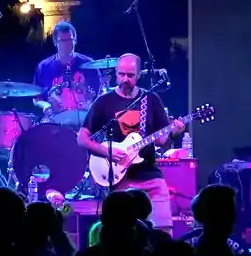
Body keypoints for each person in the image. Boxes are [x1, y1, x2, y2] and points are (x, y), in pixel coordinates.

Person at [78, 53, 185, 234]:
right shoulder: (104, 101)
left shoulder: (150, 100)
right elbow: (82, 138)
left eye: (130, 75)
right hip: (121, 179)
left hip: (149, 174)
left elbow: (160, 141)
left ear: (139, 75)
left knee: (163, 230)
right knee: (122, 232)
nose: (125, 79)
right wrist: (106, 152)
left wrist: (173, 132)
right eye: (121, 74)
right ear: (116, 74)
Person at [31, 21, 104, 126]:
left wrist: (90, 105)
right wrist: (46, 106)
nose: (66, 44)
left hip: (84, 119)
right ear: (56, 42)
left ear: (75, 41)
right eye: (62, 41)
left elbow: (100, 94)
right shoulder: (44, 67)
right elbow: (36, 98)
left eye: (70, 40)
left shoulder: (88, 64)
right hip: (55, 119)